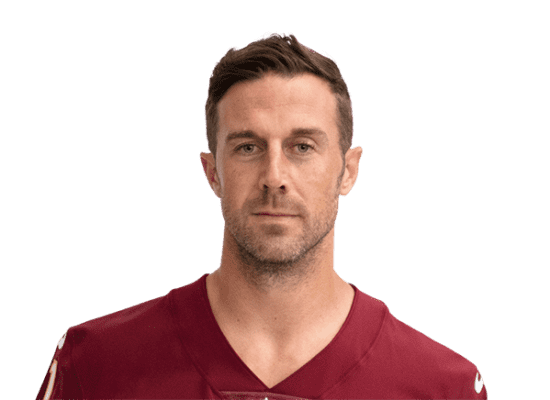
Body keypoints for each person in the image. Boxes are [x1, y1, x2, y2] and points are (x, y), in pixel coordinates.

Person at [35, 32, 487, 400]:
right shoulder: (95, 365)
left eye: (302, 147)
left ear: (348, 171)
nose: (274, 176)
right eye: (248, 147)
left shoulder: (441, 387)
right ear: (212, 172)